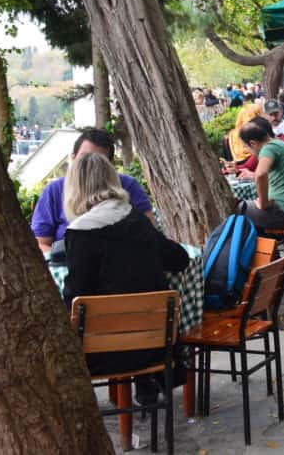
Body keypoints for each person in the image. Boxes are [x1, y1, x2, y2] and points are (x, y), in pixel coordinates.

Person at [61, 152, 189, 396]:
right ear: (112, 178)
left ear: (74, 187)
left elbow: (76, 298)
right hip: (156, 345)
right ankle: (145, 385)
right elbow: (179, 259)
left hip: (103, 353)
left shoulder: (81, 233)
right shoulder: (135, 218)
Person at [31, 129, 154, 253]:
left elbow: (149, 233)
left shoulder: (128, 186)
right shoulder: (54, 191)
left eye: (99, 162)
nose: (90, 167)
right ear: (72, 158)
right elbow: (40, 243)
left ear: (110, 165)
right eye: (84, 159)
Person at [238, 120, 284, 231]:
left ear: (253, 143)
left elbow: (260, 174)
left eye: (246, 147)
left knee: (237, 209)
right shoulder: (280, 144)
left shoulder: (269, 148)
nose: (247, 151)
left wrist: (264, 203)